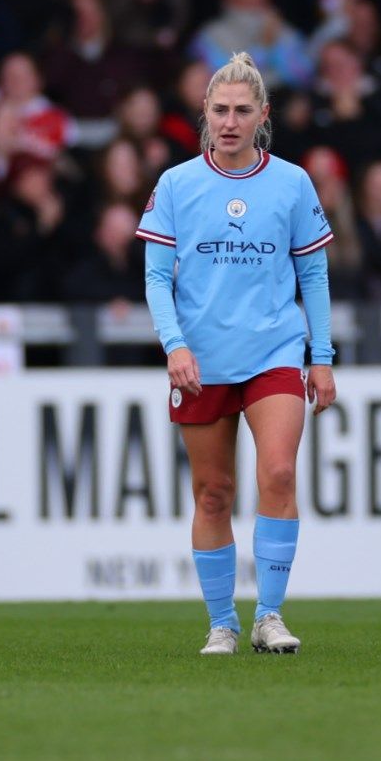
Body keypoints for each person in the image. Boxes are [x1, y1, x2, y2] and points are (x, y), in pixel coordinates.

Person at [137, 52, 335, 656]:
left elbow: (315, 274)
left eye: (242, 111)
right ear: (204, 112)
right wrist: (175, 345)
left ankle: (268, 616)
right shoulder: (176, 184)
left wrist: (320, 355)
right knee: (213, 492)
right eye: (219, 109)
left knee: (277, 472)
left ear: (262, 116)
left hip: (275, 350)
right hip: (202, 360)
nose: (229, 121)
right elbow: (155, 278)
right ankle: (221, 621)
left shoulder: (292, 183)